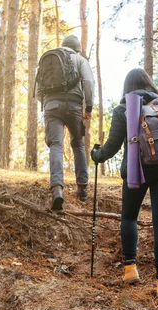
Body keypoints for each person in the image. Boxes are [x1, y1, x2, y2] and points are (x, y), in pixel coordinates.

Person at [90, 68, 158, 298]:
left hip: (136, 169)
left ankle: (130, 269)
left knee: (129, 217)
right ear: (148, 83)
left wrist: (96, 155)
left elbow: (112, 147)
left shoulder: (124, 108)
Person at [40, 34, 94, 210]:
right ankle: (82, 189)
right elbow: (88, 82)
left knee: (55, 145)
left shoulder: (50, 59)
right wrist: (88, 107)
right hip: (74, 106)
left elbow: (37, 90)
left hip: (51, 105)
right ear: (77, 49)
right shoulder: (79, 59)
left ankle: (57, 189)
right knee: (77, 144)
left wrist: (48, 105)